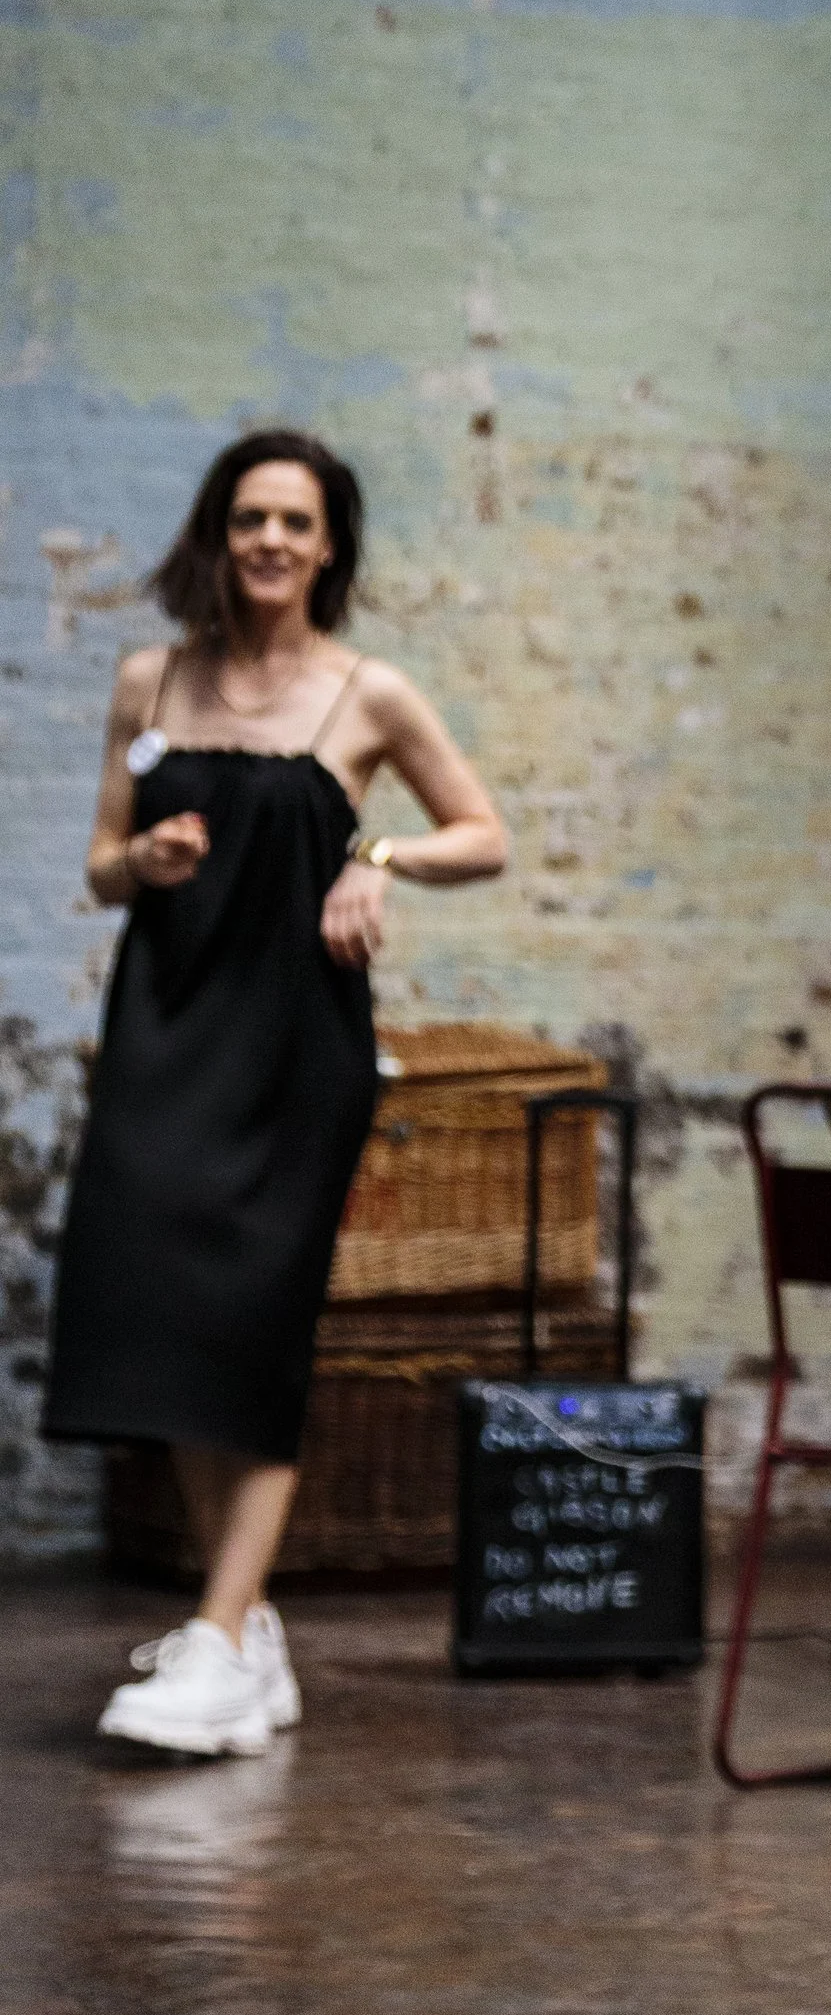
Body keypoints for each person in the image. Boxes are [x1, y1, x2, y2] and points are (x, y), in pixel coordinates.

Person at [45, 428, 508, 1760]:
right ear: (216, 528)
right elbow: (97, 867)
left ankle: (219, 1632)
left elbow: (485, 834)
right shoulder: (152, 676)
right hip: (163, 1032)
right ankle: (234, 1629)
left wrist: (379, 852)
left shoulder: (368, 692)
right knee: (166, 1315)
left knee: (250, 1321)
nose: (269, 541)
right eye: (249, 516)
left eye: (295, 522)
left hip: (297, 1046)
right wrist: (147, 851)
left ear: (329, 547)